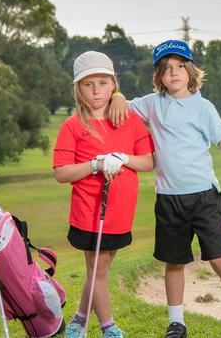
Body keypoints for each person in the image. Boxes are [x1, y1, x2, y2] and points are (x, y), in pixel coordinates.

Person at [109, 40, 221, 337]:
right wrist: (116, 94)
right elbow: (123, 105)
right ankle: (176, 322)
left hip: (204, 195)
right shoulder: (152, 104)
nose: (173, 73)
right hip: (168, 198)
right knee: (174, 261)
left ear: (190, 71)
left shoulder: (203, 107)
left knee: (220, 259)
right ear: (159, 77)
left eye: (179, 66)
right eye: (166, 69)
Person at [53, 51, 155, 338]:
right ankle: (108, 327)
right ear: (78, 88)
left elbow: (147, 162)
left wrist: (122, 158)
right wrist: (95, 164)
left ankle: (77, 321)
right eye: (88, 84)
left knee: (99, 270)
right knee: (97, 270)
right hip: (89, 212)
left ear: (113, 84)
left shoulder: (130, 120)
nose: (96, 91)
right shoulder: (72, 125)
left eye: (102, 82)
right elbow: (61, 173)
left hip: (120, 213)